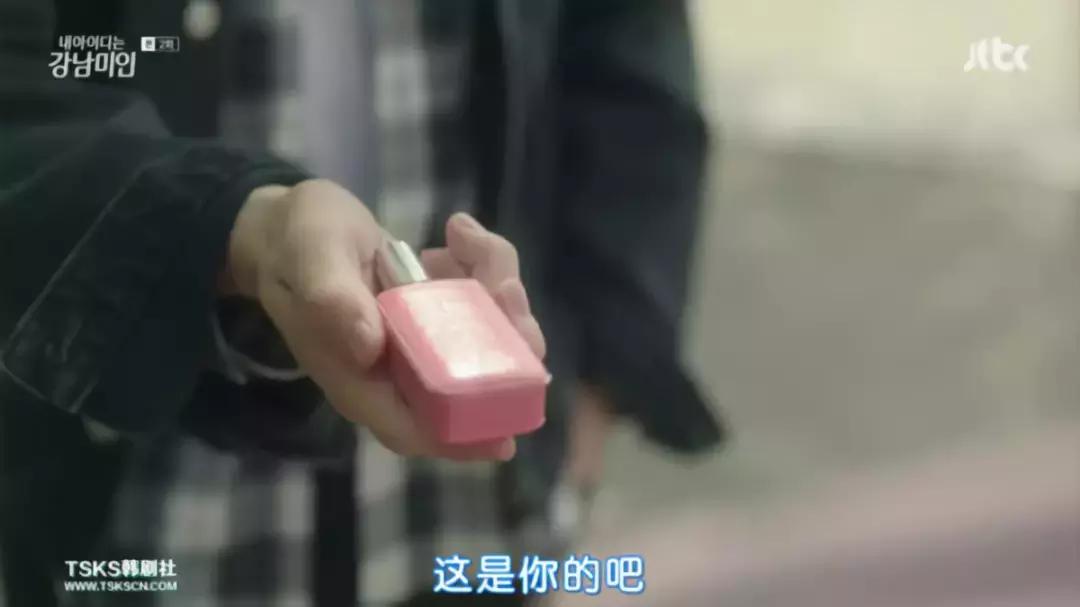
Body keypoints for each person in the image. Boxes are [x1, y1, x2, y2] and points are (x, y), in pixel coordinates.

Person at [0, 0, 724, 605]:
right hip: (140, 499)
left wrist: (594, 393)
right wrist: (234, 224)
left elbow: (627, 48)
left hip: (477, 509)